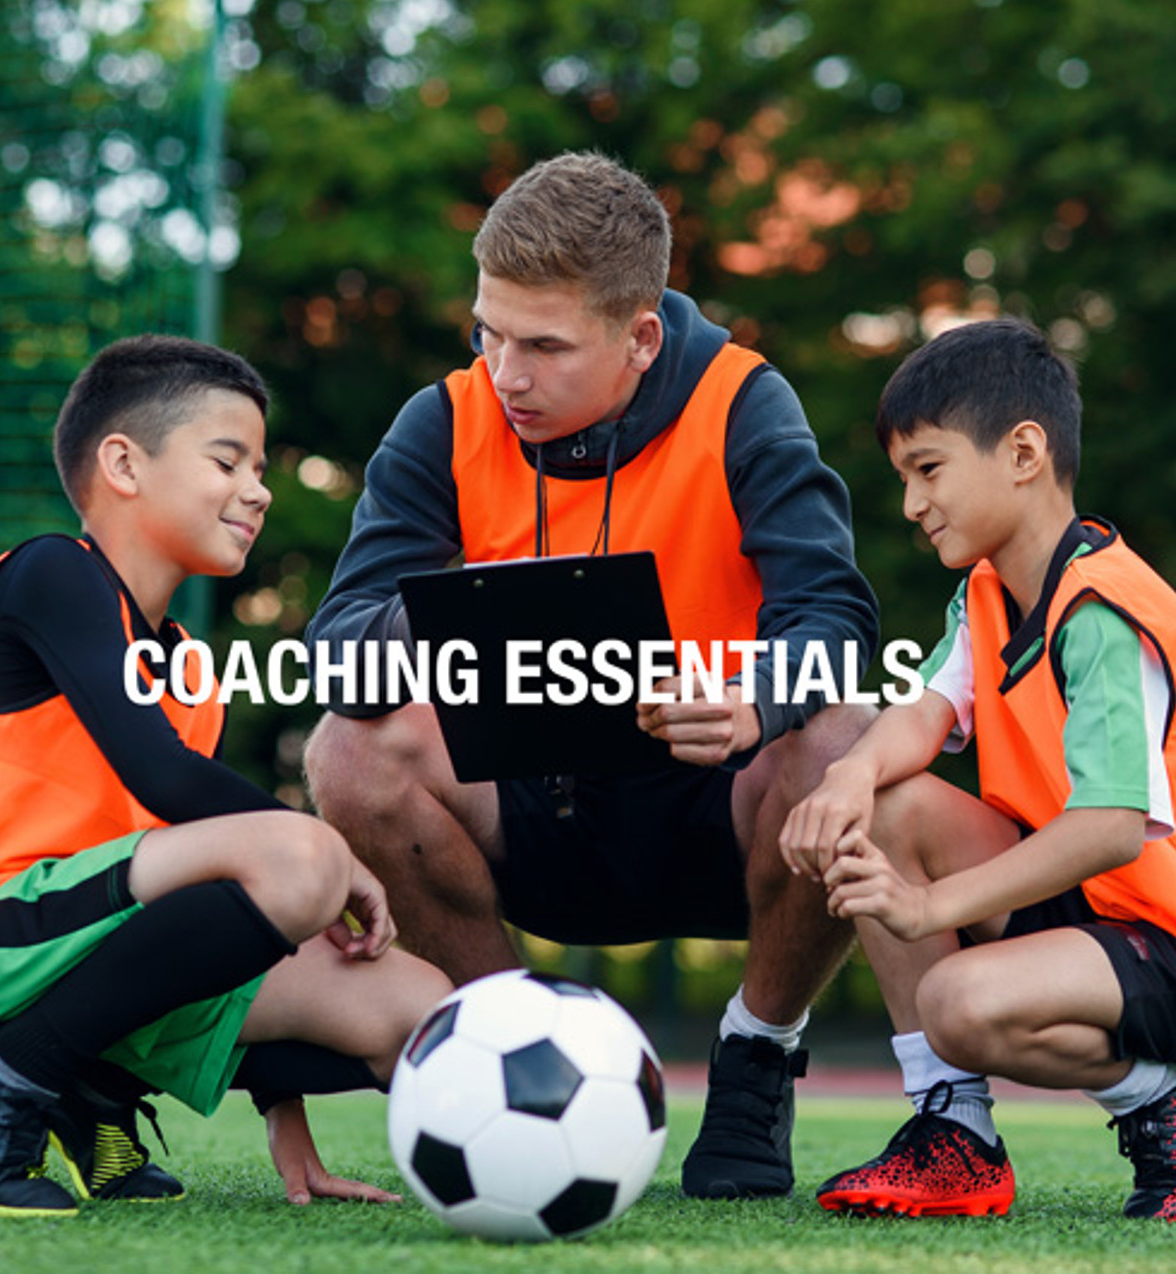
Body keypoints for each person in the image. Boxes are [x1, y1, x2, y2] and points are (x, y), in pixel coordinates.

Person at [303, 151, 881, 1199]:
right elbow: (334, 646)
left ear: (640, 336)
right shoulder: (442, 418)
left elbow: (835, 622)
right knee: (347, 751)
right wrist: (462, 616)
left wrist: (755, 697)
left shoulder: (744, 402)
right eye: (488, 331)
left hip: (717, 804)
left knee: (844, 735)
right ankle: (517, 1051)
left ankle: (759, 1054)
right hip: (529, 811)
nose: (505, 373)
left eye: (543, 345)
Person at [0, 335, 450, 1219]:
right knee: (302, 861)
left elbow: (219, 900)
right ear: (123, 465)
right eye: (229, 460)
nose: (257, 488)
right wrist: (326, 853)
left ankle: (87, 1081)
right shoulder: (52, 574)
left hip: (95, 939)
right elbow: (169, 784)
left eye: (260, 467)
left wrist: (290, 1132)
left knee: (419, 1007)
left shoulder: (188, 668)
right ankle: (6, 1072)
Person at [781, 318, 1176, 1221]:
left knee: (957, 1001)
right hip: (1100, 913)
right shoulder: (990, 590)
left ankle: (1165, 1098)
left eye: (928, 470)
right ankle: (956, 1135)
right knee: (889, 806)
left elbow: (1108, 826)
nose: (910, 504)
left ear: (1023, 452)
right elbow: (925, 712)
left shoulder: (1102, 608)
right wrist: (845, 780)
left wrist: (933, 908)